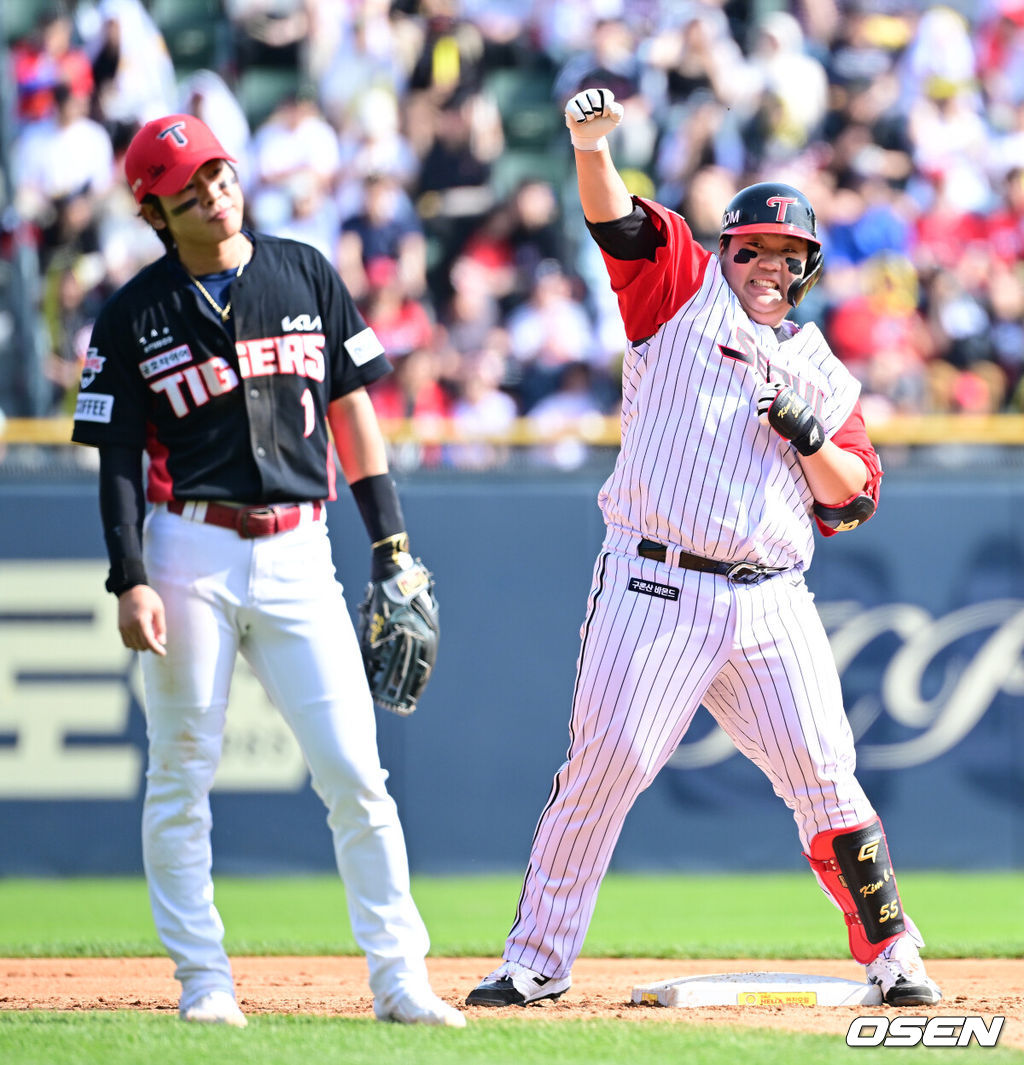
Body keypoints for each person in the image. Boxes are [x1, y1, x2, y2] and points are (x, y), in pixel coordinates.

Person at [466, 88, 942, 1011]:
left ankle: (894, 955)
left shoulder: (823, 373)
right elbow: (617, 222)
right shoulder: (679, 291)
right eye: (753, 247)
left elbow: (856, 495)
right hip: (655, 580)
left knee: (824, 775)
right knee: (606, 764)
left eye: (786, 254)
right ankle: (536, 958)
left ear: (806, 270)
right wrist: (592, 149)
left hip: (770, 600)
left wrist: (808, 435)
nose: (766, 263)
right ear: (727, 250)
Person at [69, 114, 465, 1029]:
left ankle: (400, 977)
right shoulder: (135, 312)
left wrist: (391, 543)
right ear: (155, 210)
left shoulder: (304, 271)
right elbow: (119, 457)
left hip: (299, 545)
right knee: (181, 772)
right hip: (186, 549)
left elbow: (355, 413)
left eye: (216, 170)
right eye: (188, 185)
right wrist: (128, 574)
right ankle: (204, 979)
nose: (212, 190)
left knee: (356, 772)